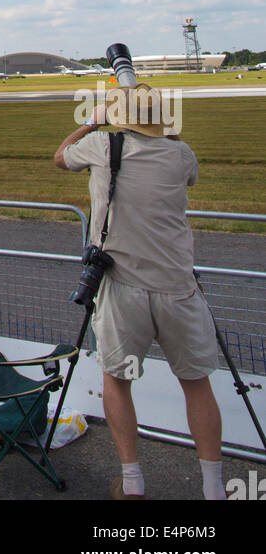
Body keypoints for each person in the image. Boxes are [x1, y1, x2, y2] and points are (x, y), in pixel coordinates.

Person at [55, 83, 225, 501]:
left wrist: (92, 120)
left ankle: (132, 483)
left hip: (121, 288)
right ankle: (213, 487)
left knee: (117, 379)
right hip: (178, 288)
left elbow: (59, 158)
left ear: (118, 118)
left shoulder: (100, 144)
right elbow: (190, 169)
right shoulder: (180, 154)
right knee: (197, 383)